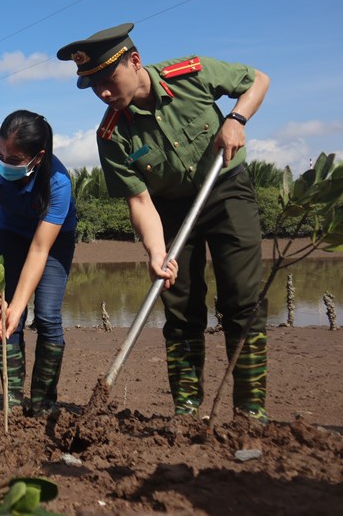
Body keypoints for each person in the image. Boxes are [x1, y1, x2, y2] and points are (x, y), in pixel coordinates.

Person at [57, 22, 271, 422]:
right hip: (168, 209)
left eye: (108, 79)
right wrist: (157, 252)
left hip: (225, 190)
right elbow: (140, 200)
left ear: (134, 61)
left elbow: (258, 80)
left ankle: (250, 411)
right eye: (94, 86)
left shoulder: (192, 73)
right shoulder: (111, 135)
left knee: (241, 299)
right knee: (180, 304)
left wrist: (236, 119)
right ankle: (186, 411)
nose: (103, 92)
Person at [0, 111, 78, 415]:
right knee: (3, 314)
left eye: (14, 158)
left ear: (38, 157)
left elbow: (40, 249)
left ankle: (44, 403)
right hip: (9, 233)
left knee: (46, 315)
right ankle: (14, 402)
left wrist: (19, 306)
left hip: (53, 241)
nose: (3, 161)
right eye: (0, 151)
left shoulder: (58, 182)